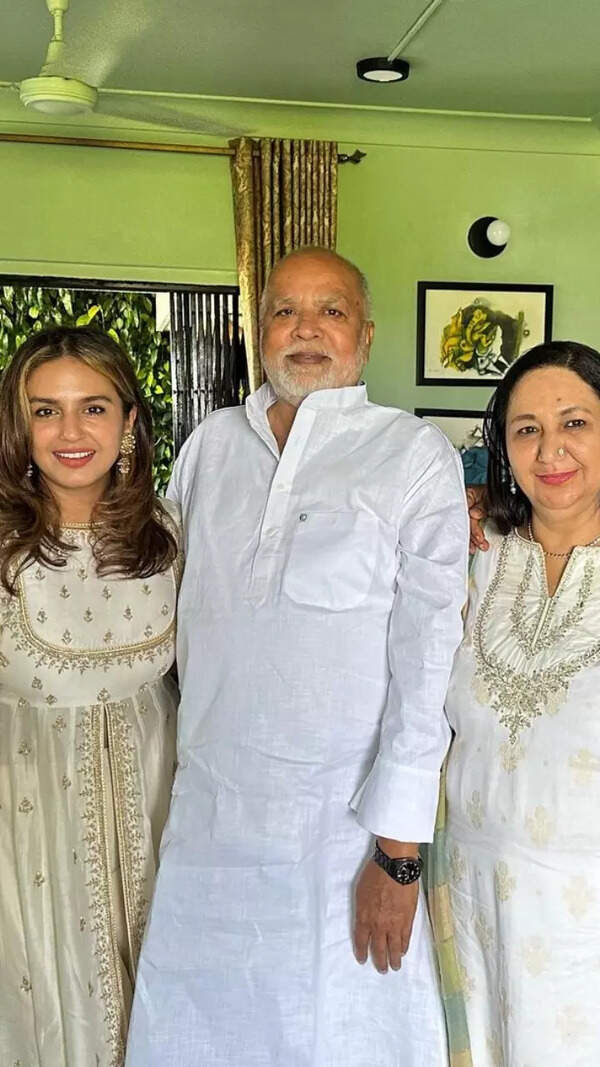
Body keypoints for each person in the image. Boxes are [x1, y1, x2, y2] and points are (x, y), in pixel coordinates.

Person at [126, 247, 469, 1067]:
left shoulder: (412, 454)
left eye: (331, 311)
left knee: (344, 1037)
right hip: (210, 827)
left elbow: (428, 663)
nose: (306, 329)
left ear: (367, 335)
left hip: (343, 839)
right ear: (259, 331)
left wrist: (397, 854)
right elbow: (151, 590)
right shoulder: (210, 446)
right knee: (197, 1035)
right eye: (285, 310)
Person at [0, 327, 181, 1067]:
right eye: (46, 411)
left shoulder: (171, 533)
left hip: (161, 818)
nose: (71, 432)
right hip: (26, 829)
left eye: (94, 408)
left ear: (129, 420)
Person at [443, 340, 600, 1065]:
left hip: (584, 914)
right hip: (469, 902)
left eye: (575, 423)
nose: (550, 449)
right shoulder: (470, 554)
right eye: (526, 428)